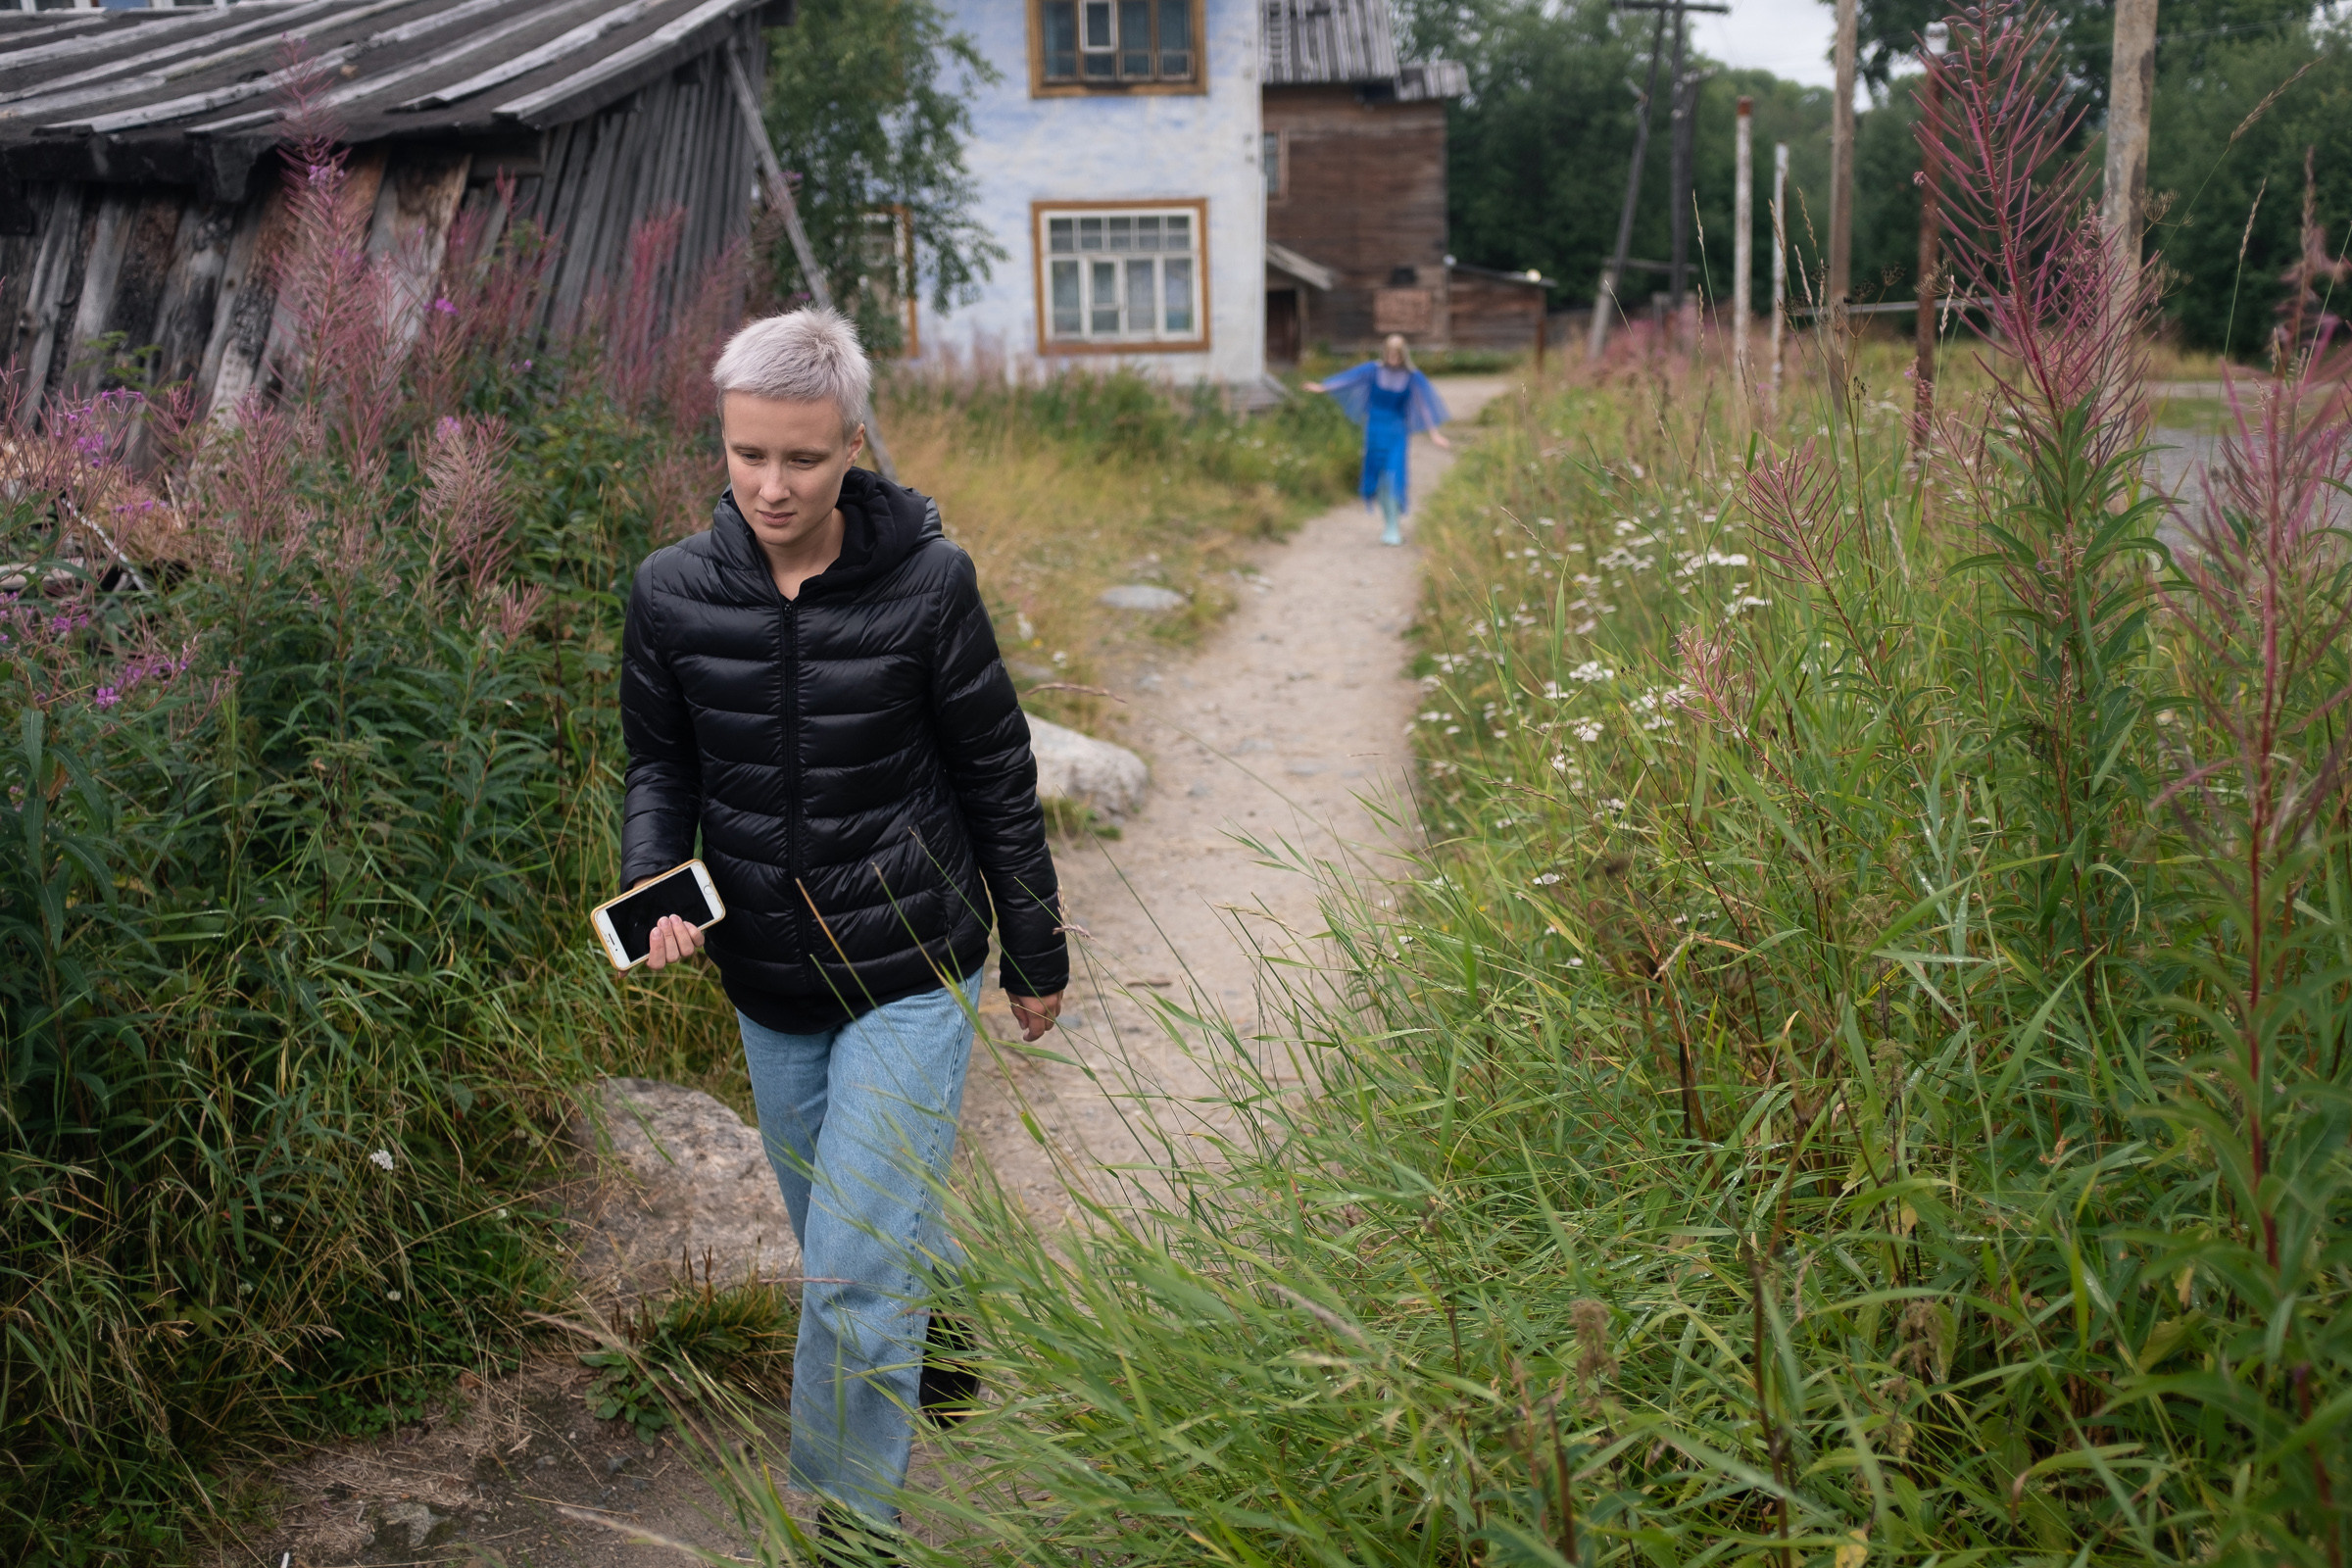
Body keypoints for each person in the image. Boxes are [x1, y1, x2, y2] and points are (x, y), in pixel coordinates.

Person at [618, 307, 1066, 1549]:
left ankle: (851, 1517)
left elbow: (995, 775)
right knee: (850, 1227)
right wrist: (656, 882)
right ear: (722, 439)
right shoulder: (670, 593)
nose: (772, 484)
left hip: (915, 964)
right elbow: (659, 762)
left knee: (851, 1269)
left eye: (804, 459)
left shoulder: (930, 585)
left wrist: (1035, 951)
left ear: (853, 447)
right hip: (766, 976)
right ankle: (947, 1323)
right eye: (748, 453)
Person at [1303, 333, 1452, 545]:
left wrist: (1434, 433)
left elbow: (1423, 406)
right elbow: (1348, 380)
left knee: (1394, 474)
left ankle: (1395, 527)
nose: (1393, 358)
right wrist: (1322, 387)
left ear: (1403, 355)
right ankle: (1388, 524)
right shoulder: (1373, 370)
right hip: (1375, 429)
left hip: (1397, 432)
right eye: (1390, 353)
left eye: (1397, 354)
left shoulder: (1412, 376)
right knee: (1379, 477)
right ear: (1385, 352)